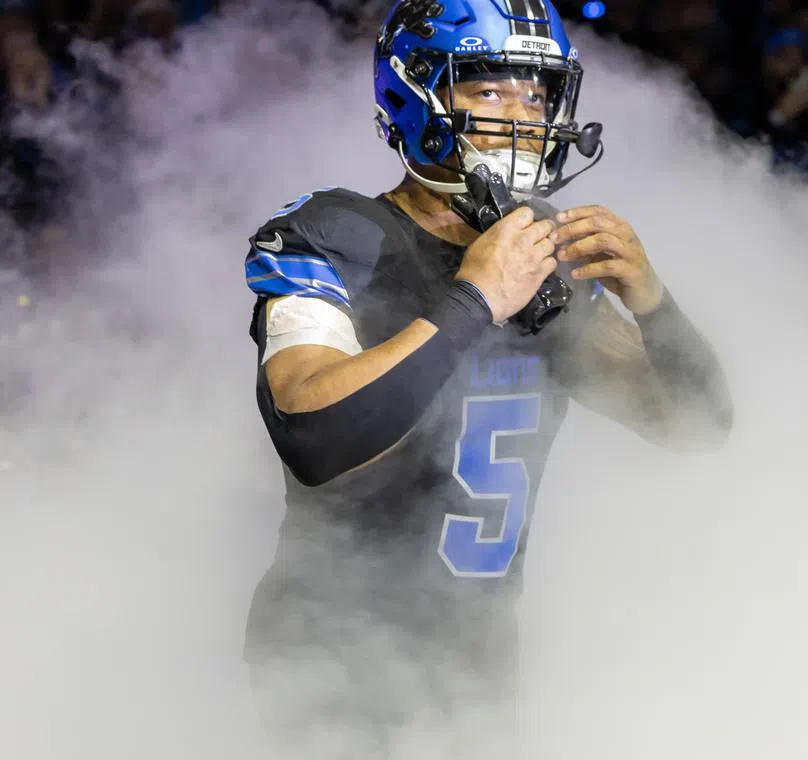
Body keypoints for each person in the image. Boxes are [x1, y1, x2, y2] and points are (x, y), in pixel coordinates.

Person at [240, 0, 734, 756]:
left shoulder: (548, 258)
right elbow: (314, 434)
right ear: (418, 93)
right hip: (331, 661)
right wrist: (474, 300)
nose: (523, 117)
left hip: (477, 669)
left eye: (536, 94)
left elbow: (698, 428)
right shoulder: (338, 236)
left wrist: (656, 305)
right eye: (490, 90)